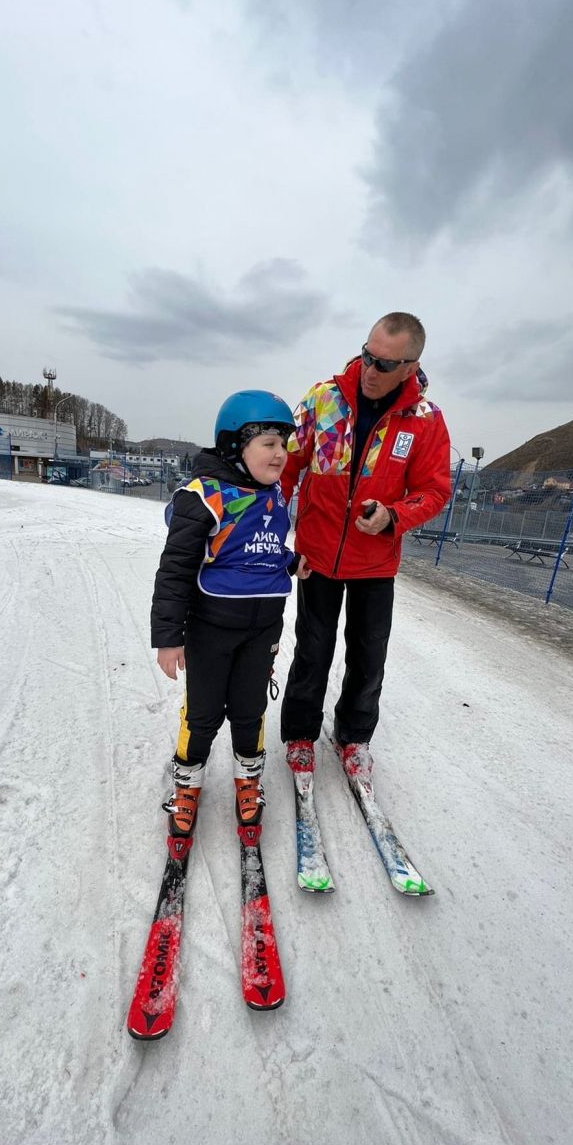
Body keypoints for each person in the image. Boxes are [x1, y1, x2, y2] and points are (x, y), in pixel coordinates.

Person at [279, 311, 451, 780]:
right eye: (367, 356)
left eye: (385, 364)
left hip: (375, 562)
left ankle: (353, 737)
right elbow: (287, 465)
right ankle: (299, 734)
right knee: (312, 649)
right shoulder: (323, 398)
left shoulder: (425, 421)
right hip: (317, 554)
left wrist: (394, 516)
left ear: (411, 367)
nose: (371, 370)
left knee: (368, 653)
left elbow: (434, 491)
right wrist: (274, 532)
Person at [151, 390, 310, 839]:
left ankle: (247, 779)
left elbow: (257, 549)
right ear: (234, 447)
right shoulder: (204, 496)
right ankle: (187, 783)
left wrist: (290, 562)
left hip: (262, 629)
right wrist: (168, 636)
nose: (281, 454)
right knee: (202, 714)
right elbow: (175, 569)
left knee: (249, 708)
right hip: (210, 630)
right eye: (269, 443)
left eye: (284, 444)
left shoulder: (273, 495)